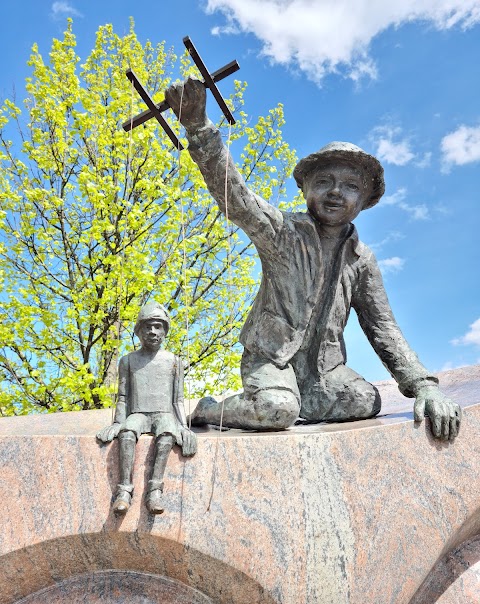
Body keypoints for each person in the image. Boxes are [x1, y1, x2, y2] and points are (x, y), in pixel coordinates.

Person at [165, 78, 461, 441]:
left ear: (365, 200)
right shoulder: (283, 233)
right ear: (305, 190)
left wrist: (423, 386)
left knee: (364, 400)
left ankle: (295, 402)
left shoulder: (362, 260)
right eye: (324, 182)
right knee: (277, 410)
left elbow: (383, 329)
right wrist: (199, 128)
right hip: (272, 360)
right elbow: (236, 197)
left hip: (325, 373)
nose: (336, 192)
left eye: (351, 186)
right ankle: (213, 409)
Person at [96, 301, 197, 515]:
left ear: (165, 331)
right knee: (127, 433)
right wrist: (117, 422)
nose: (152, 331)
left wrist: (184, 427)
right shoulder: (128, 361)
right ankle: (124, 491)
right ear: (139, 331)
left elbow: (178, 399)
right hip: (138, 413)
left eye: (158, 326)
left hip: (164, 414)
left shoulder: (174, 361)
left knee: (167, 434)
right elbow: (123, 396)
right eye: (147, 326)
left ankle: (155, 491)